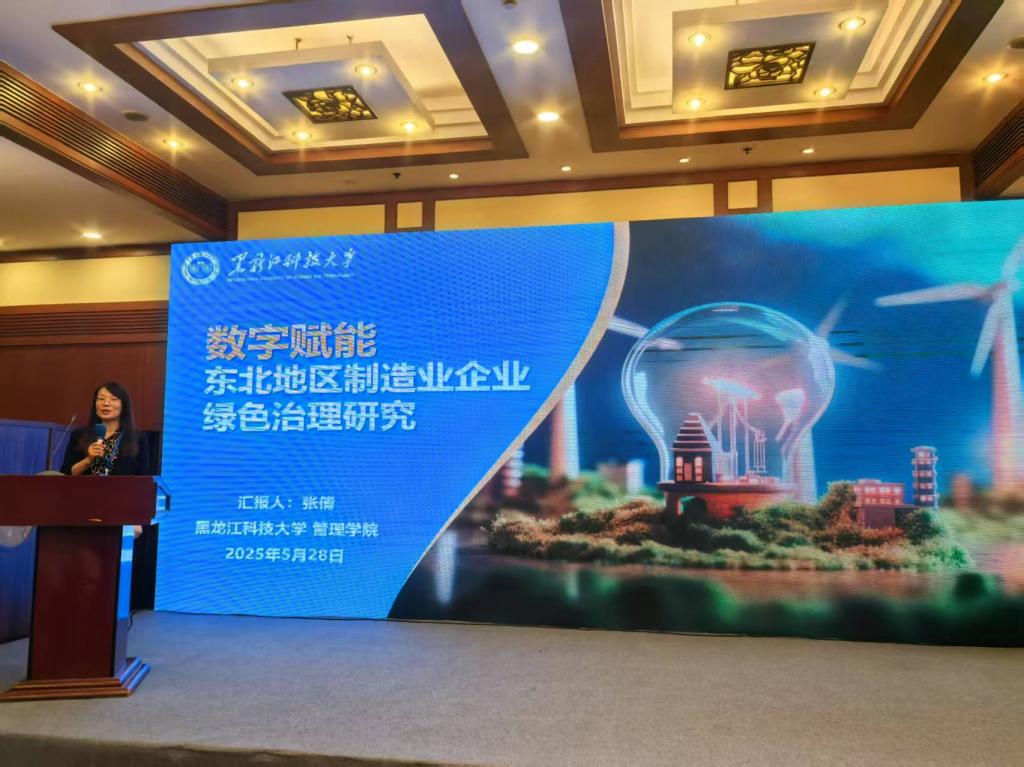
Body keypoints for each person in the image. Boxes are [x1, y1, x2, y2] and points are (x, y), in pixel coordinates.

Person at [61, 381, 150, 477]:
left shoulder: (137, 438)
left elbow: (143, 478)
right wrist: (88, 460)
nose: (106, 403)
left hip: (122, 487)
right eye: (101, 399)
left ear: (123, 405)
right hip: (85, 487)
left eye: (113, 399)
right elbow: (67, 474)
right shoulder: (79, 435)